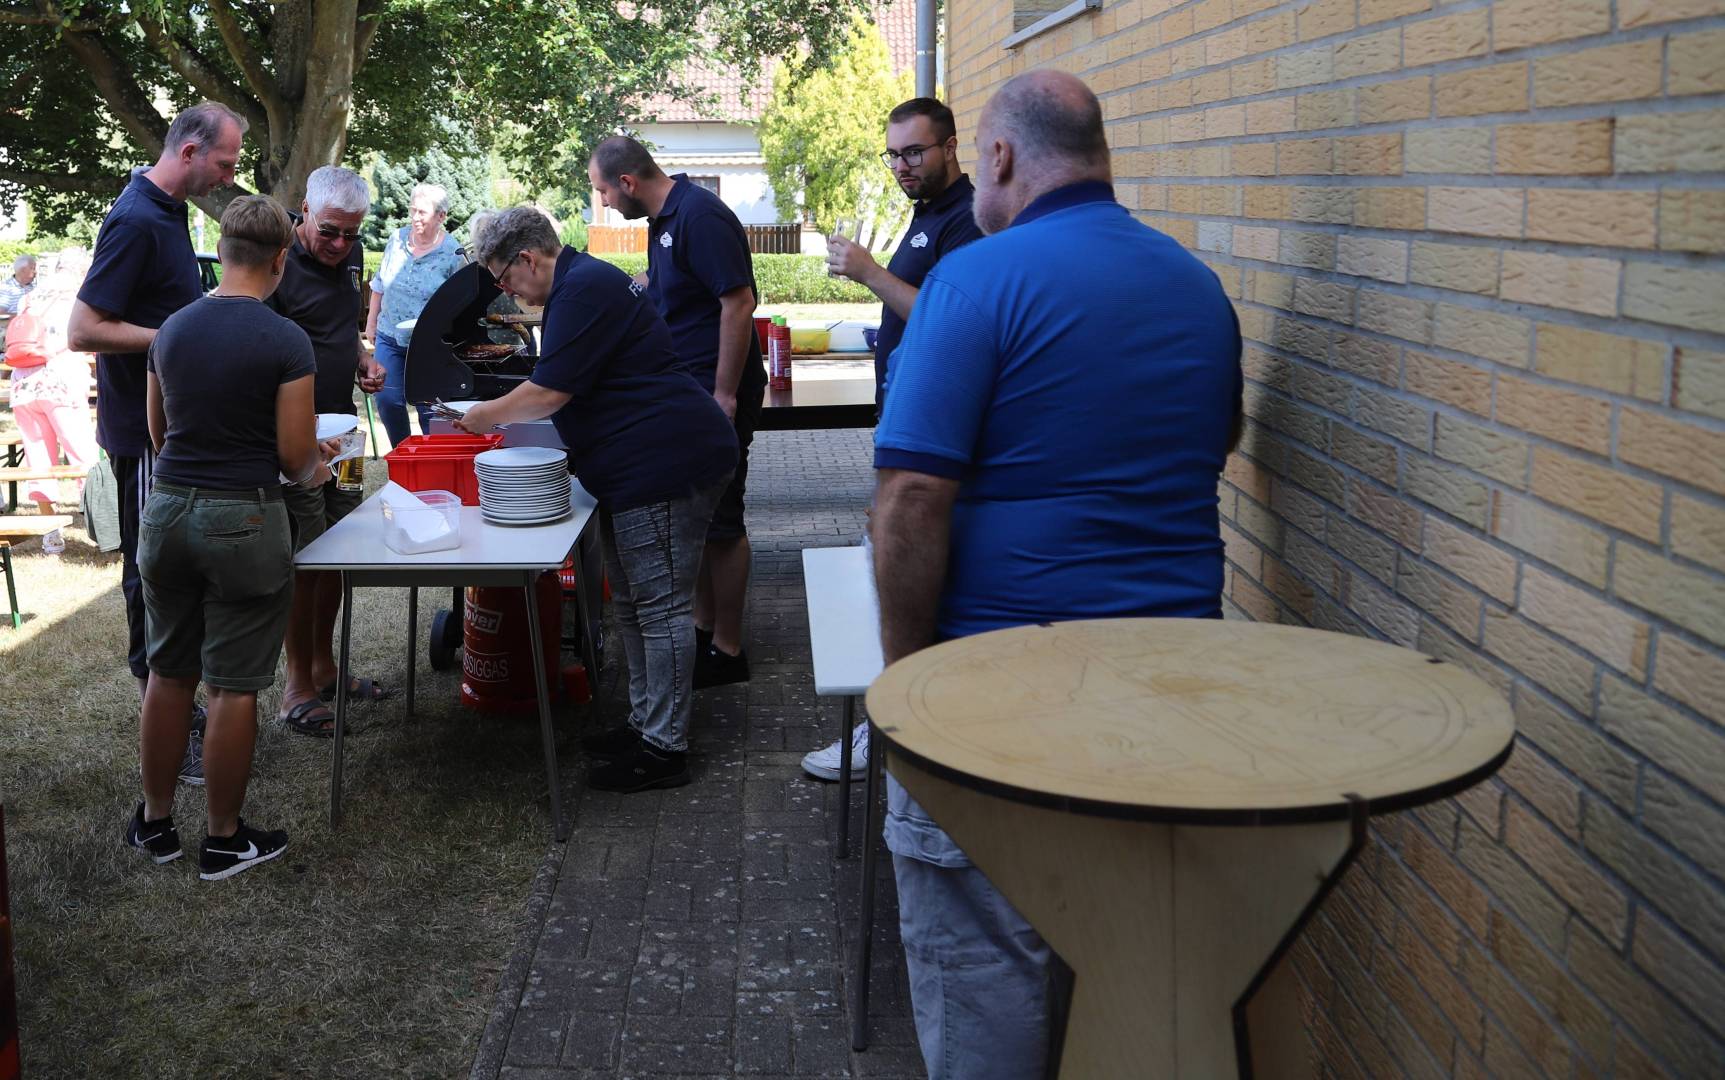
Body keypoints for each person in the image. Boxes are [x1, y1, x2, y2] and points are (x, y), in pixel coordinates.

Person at [870, 71, 1242, 1078]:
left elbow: (909, 502)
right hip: (1172, 697)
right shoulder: (1196, 286)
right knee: (1132, 974)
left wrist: (908, 690)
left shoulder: (978, 281)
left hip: (1002, 703)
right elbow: (1212, 444)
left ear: (994, 157)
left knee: (989, 975)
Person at [453, 207, 737, 793]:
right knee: (632, 604)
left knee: (659, 608)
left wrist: (481, 416)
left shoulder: (582, 289)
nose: (506, 292)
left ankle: (665, 748)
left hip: (663, 462)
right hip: (637, 466)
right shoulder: (578, 287)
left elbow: (550, 392)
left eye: (503, 279)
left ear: (527, 258)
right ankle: (645, 725)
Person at [124, 194, 329, 880]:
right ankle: (223, 838)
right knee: (234, 686)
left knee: (168, 669)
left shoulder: (171, 330)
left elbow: (159, 434)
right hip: (243, 516)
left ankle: (155, 825)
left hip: (168, 510)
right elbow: (296, 457)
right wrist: (320, 462)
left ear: (224, 253)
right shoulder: (283, 338)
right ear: (278, 258)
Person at [805, 96, 984, 785]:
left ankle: (892, 733)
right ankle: (887, 725)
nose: (903, 166)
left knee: (894, 572)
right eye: (894, 154)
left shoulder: (966, 221)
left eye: (915, 151)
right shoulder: (926, 216)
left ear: (950, 148)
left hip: (934, 436)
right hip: (907, 419)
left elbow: (953, 319)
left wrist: (870, 273)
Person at [69, 100, 247, 786]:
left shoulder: (168, 211)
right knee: (154, 580)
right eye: (225, 164)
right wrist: (182, 336)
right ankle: (174, 730)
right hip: (139, 437)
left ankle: (179, 718)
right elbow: (83, 330)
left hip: (169, 429)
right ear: (189, 151)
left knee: (177, 577)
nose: (228, 178)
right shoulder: (136, 219)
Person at [587, 137, 764, 689]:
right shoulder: (663, 222)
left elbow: (738, 304)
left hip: (716, 392)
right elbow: (677, 293)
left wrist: (724, 395)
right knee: (700, 517)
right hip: (689, 394)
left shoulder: (700, 217)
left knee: (724, 518)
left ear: (628, 183)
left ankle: (729, 650)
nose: (605, 203)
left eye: (603, 192)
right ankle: (703, 629)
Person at [266, 165, 391, 736]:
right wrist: (293, 437)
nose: (341, 244)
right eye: (331, 231)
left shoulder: (353, 253)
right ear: (305, 212)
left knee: (340, 553)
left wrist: (364, 358)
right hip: (300, 437)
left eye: (351, 233)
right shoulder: (276, 262)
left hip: (348, 437)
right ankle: (297, 686)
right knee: (305, 560)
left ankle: (326, 668)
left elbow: (343, 327)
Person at [365, 182, 465, 447]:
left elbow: (459, 302)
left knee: (428, 408)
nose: (415, 218)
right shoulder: (396, 239)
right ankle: (404, 453)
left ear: (441, 216)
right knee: (387, 400)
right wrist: (371, 322)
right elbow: (379, 284)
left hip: (428, 344)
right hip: (389, 335)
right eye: (413, 211)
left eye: (423, 212)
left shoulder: (452, 253)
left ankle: (431, 457)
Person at [6, 252, 98, 520]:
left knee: (38, 457)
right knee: (82, 454)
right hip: (60, 380)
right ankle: (97, 527)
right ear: (82, 271)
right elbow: (82, 338)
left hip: (23, 383)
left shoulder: (31, 296)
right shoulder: (79, 298)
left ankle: (50, 533)